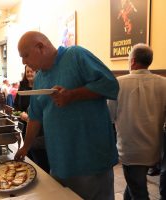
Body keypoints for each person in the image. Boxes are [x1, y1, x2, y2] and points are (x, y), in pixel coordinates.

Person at [14, 31, 119, 200]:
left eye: (25, 56)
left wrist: (72, 95)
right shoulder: (40, 77)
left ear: (40, 47)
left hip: (90, 159)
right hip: (59, 160)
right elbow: (35, 116)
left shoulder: (75, 55)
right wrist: (26, 146)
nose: (23, 62)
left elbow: (110, 84)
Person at [108, 43, 166, 200]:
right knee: (135, 183)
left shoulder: (118, 83)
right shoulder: (163, 83)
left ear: (132, 61)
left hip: (130, 150)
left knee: (138, 191)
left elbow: (110, 116)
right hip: (154, 148)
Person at [14, 64, 50, 173]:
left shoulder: (43, 87)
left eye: (32, 71)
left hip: (41, 129)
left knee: (40, 156)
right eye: (27, 72)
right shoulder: (23, 87)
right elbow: (16, 107)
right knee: (30, 155)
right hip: (26, 126)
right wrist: (21, 114)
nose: (29, 73)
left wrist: (31, 117)